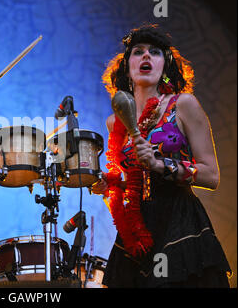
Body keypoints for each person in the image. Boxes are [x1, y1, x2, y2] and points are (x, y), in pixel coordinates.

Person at [92, 24, 231, 287]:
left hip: (180, 220)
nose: (146, 56)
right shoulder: (115, 122)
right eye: (138, 52)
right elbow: (133, 180)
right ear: (127, 66)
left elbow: (211, 175)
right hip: (137, 228)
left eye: (154, 52)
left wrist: (159, 164)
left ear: (164, 66)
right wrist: (109, 185)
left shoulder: (183, 105)